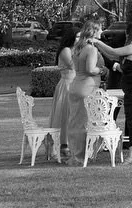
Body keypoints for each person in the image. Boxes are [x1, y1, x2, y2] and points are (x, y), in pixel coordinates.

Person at [89, 24, 132, 161]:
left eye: (129, 34)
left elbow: (113, 52)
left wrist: (97, 42)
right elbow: (115, 59)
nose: (127, 36)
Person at [63, 19, 105, 159]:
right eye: (100, 29)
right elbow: (90, 69)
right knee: (84, 122)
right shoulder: (91, 49)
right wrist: (102, 70)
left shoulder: (78, 47)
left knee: (75, 121)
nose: (102, 31)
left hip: (75, 85)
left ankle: (76, 152)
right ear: (94, 31)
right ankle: (81, 155)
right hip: (87, 87)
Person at [48, 29, 79, 160]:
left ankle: (67, 144)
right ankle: (59, 145)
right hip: (67, 85)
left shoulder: (76, 50)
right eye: (77, 37)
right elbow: (73, 66)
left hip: (74, 85)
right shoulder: (66, 50)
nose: (79, 39)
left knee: (72, 116)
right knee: (63, 115)